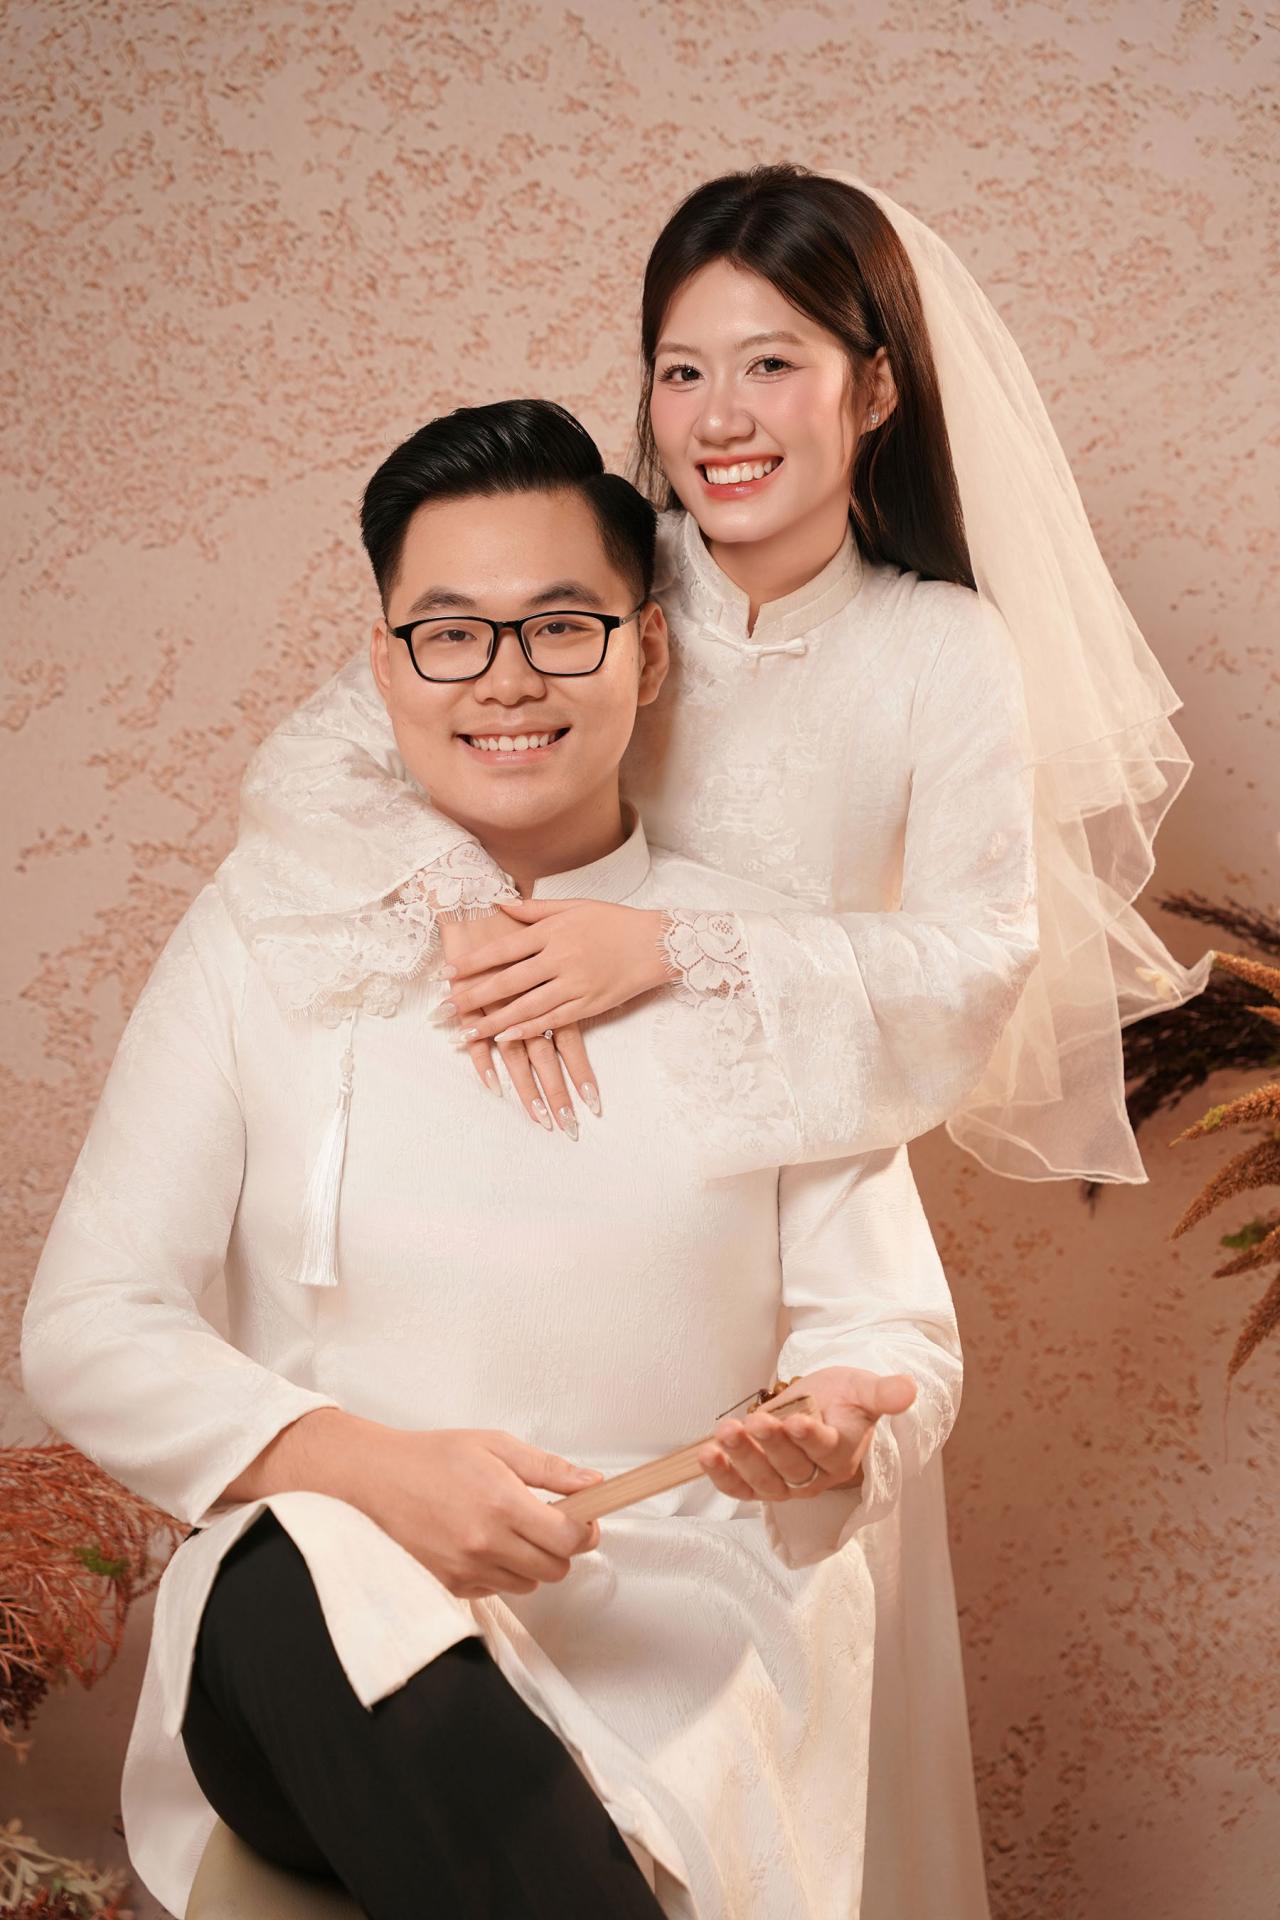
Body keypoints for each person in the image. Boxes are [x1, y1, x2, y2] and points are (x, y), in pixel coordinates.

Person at [212, 166, 1209, 1917]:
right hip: (507, 1190)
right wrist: (473, 907)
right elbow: (323, 770)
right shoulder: (594, 581)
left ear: (874, 387)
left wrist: (667, 948)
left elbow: (978, 955)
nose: (719, 418)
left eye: (773, 364)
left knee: (775, 1768)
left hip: (767, 1231)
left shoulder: (940, 652)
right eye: (682, 369)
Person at [21, 400, 966, 1920]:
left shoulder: (761, 953)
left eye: (562, 628)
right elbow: (88, 1324)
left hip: (685, 1629)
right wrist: (372, 1473)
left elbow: (893, 1333)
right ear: (386, 662)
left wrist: (842, 1428)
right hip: (323, 1638)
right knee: (297, 1565)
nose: (506, 680)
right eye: (450, 634)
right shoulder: (273, 930)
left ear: (646, 652)